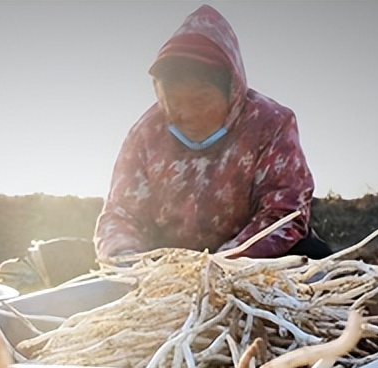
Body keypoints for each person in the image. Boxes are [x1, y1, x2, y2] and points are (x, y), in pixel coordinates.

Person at [94, 4, 331, 262]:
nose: (183, 113)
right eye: (172, 100)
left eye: (199, 100)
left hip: (250, 260)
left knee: (313, 257)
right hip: (167, 263)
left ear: (232, 89)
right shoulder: (146, 134)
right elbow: (121, 213)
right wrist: (129, 261)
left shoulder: (270, 123)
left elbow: (284, 212)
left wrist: (219, 265)